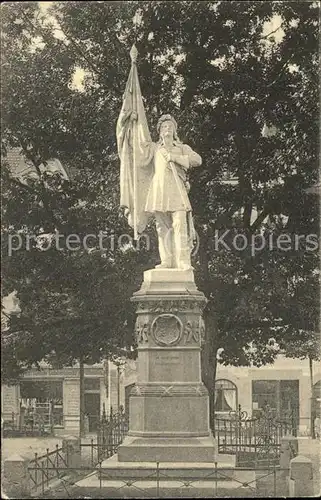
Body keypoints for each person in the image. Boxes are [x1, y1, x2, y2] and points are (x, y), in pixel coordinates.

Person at [143, 114, 202, 270]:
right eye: (164, 127)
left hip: (177, 188)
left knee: (180, 224)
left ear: (175, 130)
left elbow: (197, 160)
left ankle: (183, 261)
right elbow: (139, 152)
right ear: (160, 131)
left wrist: (174, 157)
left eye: (170, 126)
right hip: (159, 189)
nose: (167, 129)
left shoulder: (181, 148)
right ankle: (167, 261)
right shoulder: (155, 148)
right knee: (162, 227)